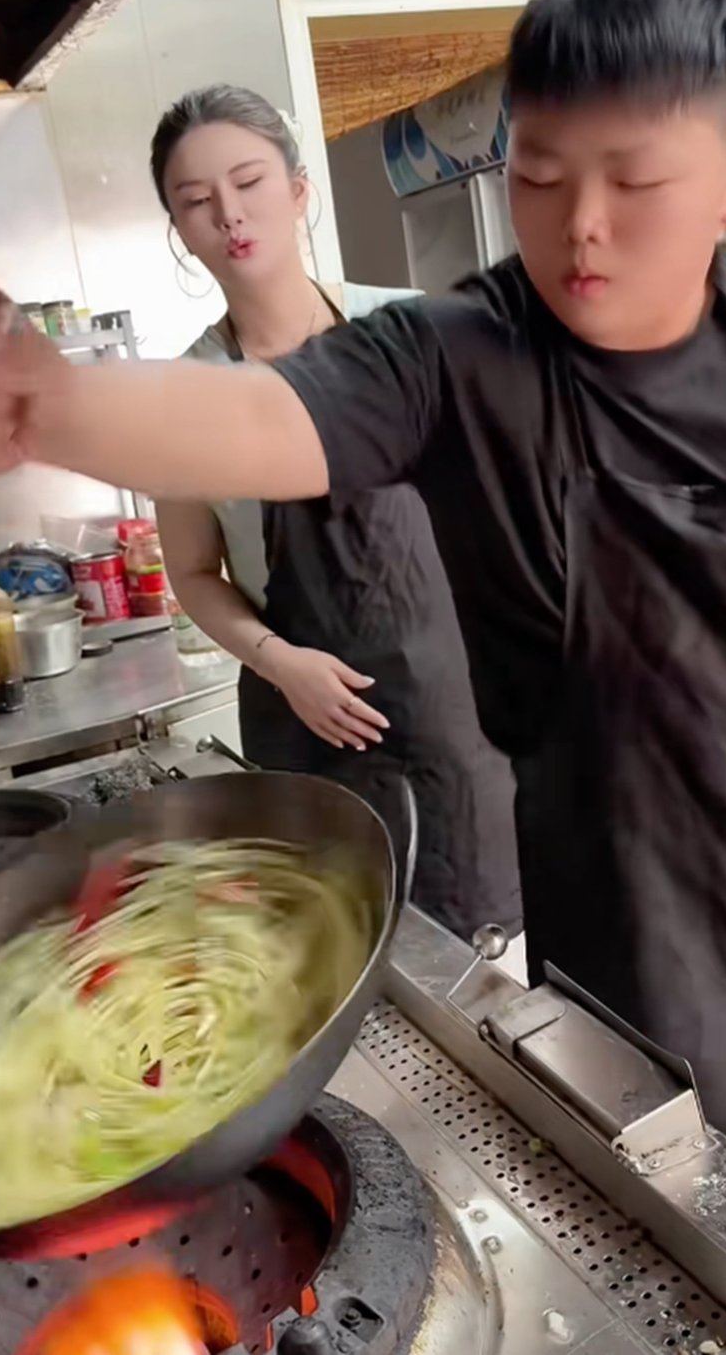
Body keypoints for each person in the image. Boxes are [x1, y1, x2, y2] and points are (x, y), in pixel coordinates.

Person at [0, 0, 726, 1233]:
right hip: (645, 958)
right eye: (539, 170)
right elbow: (252, 422)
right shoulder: (453, 352)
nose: (579, 227)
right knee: (704, 1245)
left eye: (635, 179)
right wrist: (47, 398)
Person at [148, 83, 521, 939]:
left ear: (297, 190)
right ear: (180, 229)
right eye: (197, 202)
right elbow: (195, 573)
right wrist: (282, 662)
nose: (229, 217)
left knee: (478, 970)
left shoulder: (414, 333)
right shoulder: (180, 398)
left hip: (450, 715)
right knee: (333, 955)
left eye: (248, 182)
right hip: (306, 725)